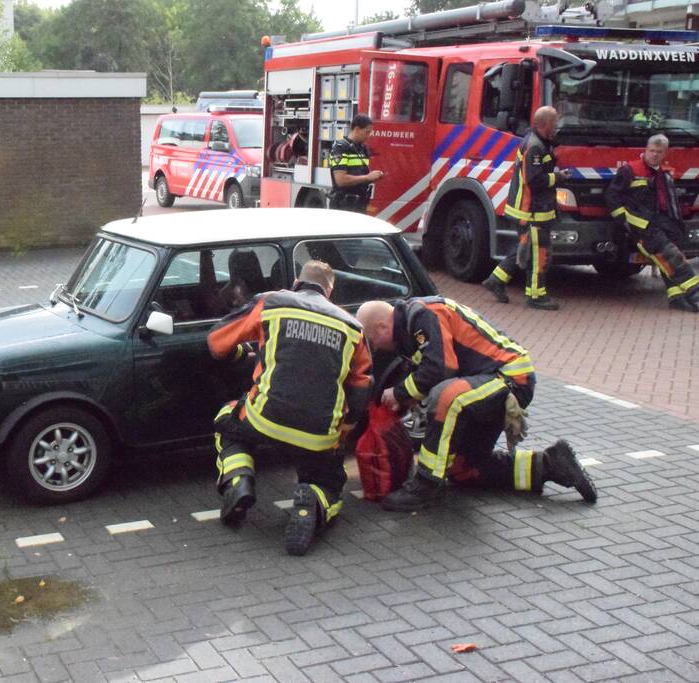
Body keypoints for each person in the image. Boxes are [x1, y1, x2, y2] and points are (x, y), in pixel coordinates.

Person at [355, 297, 597, 512]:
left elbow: (441, 368)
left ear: (382, 327)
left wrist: (399, 392)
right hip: (483, 383)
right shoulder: (410, 329)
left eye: (373, 342)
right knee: (463, 469)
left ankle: (425, 485)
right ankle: (550, 464)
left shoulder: (422, 315)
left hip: (509, 377)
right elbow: (433, 371)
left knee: (447, 397)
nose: (376, 348)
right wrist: (405, 397)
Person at [207, 261, 372, 555]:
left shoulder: (273, 303)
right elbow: (361, 386)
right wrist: (343, 433)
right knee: (330, 482)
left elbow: (217, 343)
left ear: (297, 281)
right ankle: (313, 501)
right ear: (330, 291)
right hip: (319, 433)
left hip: (265, 419)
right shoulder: (352, 326)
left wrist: (243, 353)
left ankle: (238, 482)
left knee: (226, 420)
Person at [482, 106, 572, 311]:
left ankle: (496, 280)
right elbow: (534, 179)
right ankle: (536, 296)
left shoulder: (539, 142)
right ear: (545, 124)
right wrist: (558, 177)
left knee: (525, 249)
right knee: (540, 253)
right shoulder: (535, 146)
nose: (556, 127)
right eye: (554, 123)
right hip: (531, 211)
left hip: (533, 209)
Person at [605, 134, 699, 312]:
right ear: (646, 150)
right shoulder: (630, 170)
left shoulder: (665, 172)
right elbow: (612, 195)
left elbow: (669, 200)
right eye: (652, 151)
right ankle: (695, 291)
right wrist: (622, 219)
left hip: (665, 222)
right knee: (670, 255)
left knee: (671, 256)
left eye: (659, 152)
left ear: (665, 154)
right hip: (642, 224)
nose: (654, 155)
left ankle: (676, 297)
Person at [328, 114, 383, 213]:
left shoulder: (363, 149)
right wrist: (367, 178)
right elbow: (341, 180)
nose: (369, 136)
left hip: (359, 205)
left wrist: (373, 177)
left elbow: (360, 176)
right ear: (357, 129)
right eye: (367, 132)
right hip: (343, 206)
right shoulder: (341, 148)